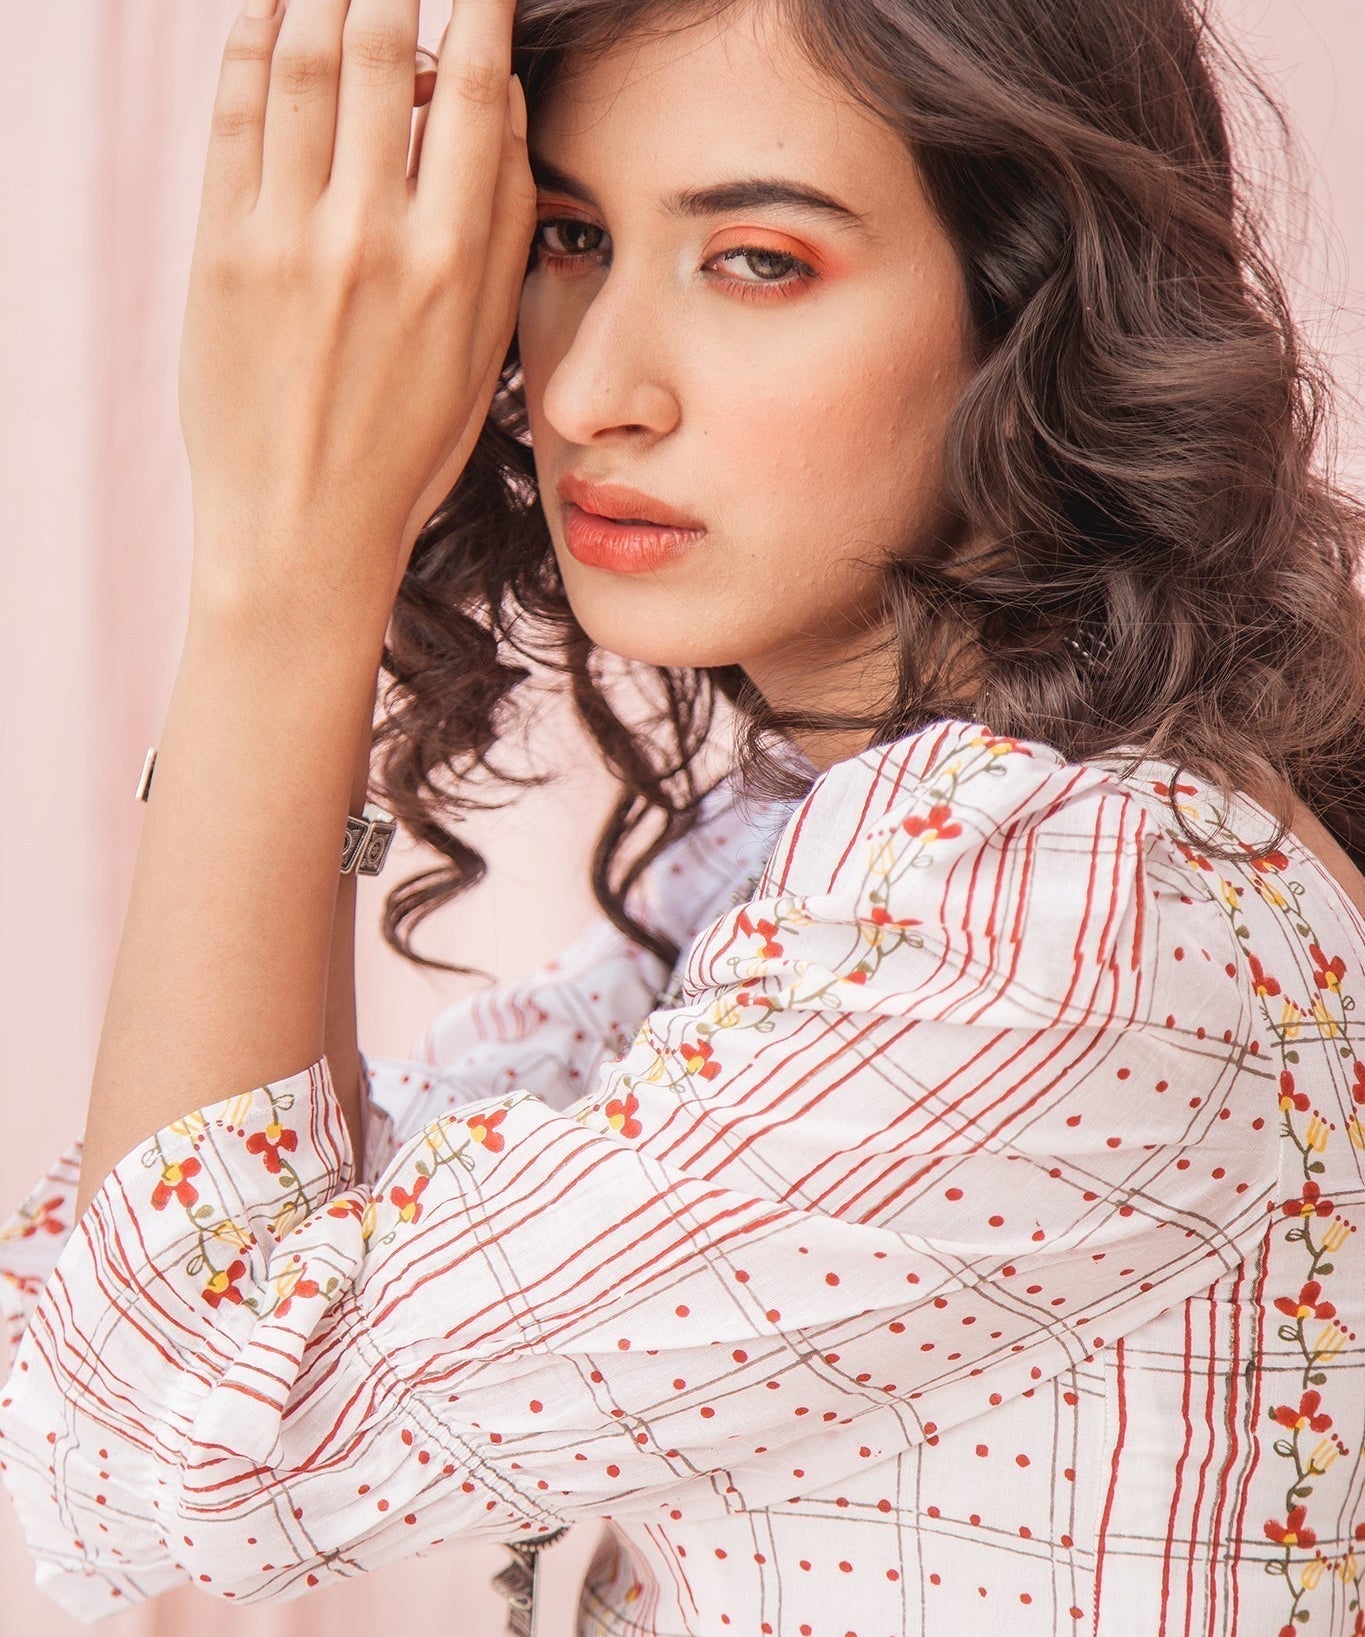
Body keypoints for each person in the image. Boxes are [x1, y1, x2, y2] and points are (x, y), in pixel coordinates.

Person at [1, 0, 1364, 1631]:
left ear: (1030, 306)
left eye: (756, 261)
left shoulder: (1055, 917)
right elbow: (153, 1285)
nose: (589, 390)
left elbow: (155, 1437)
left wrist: (286, 568)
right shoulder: (824, 857)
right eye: (566, 237)